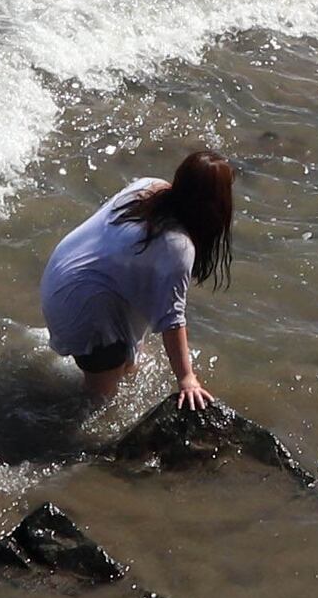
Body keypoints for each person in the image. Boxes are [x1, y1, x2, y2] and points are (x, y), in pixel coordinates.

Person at [39, 150, 236, 413]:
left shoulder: (147, 187)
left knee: (131, 368)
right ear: (216, 205)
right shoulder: (178, 247)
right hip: (84, 308)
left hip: (58, 277)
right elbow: (172, 320)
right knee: (99, 405)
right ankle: (65, 439)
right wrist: (186, 378)